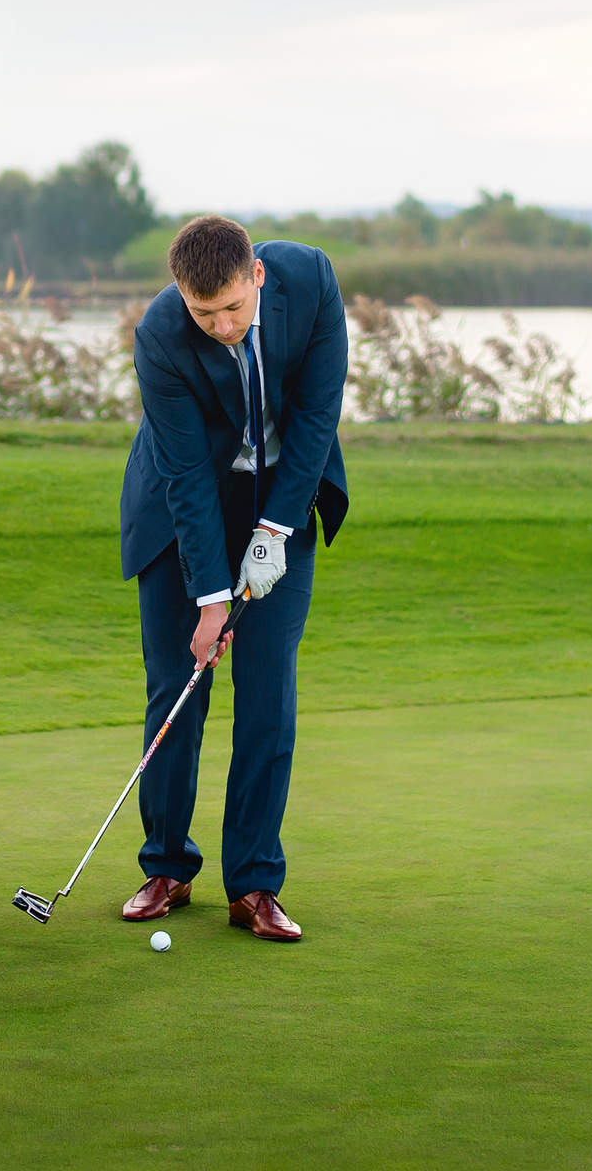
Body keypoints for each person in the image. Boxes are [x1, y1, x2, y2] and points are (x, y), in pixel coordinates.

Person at [116, 214, 348, 942]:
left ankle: (253, 884)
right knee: (178, 688)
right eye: (201, 311)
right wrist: (212, 598)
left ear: (257, 276)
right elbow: (185, 473)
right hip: (183, 511)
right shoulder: (160, 333)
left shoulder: (310, 280)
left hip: (284, 491)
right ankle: (167, 867)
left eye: (231, 309)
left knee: (268, 693)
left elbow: (315, 417)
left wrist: (276, 531)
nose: (218, 326)